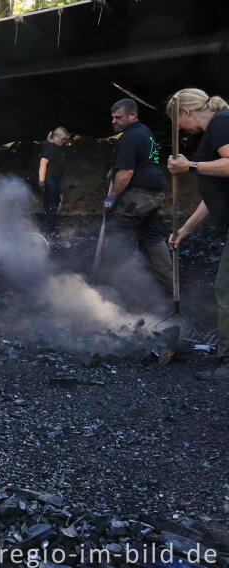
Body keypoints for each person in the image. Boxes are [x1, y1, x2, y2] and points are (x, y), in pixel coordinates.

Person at [166, 88, 229, 379]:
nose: (180, 129)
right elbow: (212, 194)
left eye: (178, 122)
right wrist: (186, 229)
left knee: (225, 290)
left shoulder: (220, 123)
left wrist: (189, 165)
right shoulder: (216, 129)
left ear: (187, 112)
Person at [99, 98, 173, 294]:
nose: (114, 121)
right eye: (112, 118)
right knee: (151, 236)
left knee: (117, 234)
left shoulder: (129, 137)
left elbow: (126, 174)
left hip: (139, 195)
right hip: (153, 194)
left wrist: (112, 197)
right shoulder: (145, 131)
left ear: (133, 115)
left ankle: (112, 289)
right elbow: (151, 159)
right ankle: (170, 285)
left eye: (118, 117)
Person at [38, 127, 70, 228]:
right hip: (49, 180)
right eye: (63, 139)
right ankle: (49, 225)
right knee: (53, 201)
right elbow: (43, 163)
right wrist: (41, 181)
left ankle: (48, 222)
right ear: (56, 137)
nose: (64, 141)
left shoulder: (54, 145)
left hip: (53, 179)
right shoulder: (52, 147)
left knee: (50, 201)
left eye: (66, 139)